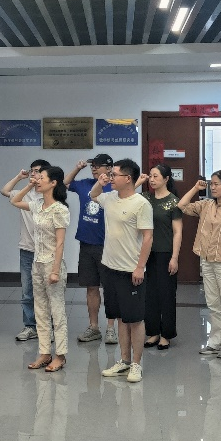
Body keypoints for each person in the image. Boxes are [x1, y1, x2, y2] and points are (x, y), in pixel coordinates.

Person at [91, 159, 153, 383]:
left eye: (114, 174)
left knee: (134, 319)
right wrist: (100, 182)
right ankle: (124, 360)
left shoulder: (141, 203)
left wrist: (140, 267)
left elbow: (148, 237)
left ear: (128, 179)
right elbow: (93, 195)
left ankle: (136, 364)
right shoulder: (109, 198)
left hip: (131, 270)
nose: (110, 178)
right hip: (110, 267)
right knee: (119, 317)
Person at [178, 170, 221, 358]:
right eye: (211, 183)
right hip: (207, 262)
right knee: (213, 305)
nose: (212, 187)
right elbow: (182, 205)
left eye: (216, 184)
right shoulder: (206, 205)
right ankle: (215, 342)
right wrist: (195, 188)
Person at [10, 166, 71, 372]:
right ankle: (44, 353)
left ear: (53, 183)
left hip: (53, 265)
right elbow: (14, 201)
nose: (38, 180)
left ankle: (60, 355)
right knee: (40, 310)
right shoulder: (37, 205)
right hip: (37, 263)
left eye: (41, 177)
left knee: (57, 311)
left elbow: (60, 243)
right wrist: (28, 185)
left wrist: (55, 270)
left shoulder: (60, 209)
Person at [65, 154, 118, 345]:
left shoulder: (115, 187)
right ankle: (94, 327)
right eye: (92, 166)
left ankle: (111, 329)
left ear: (109, 168)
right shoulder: (84, 184)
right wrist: (77, 168)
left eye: (98, 165)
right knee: (91, 287)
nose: (93, 168)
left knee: (110, 288)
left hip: (108, 245)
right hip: (86, 244)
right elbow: (64, 184)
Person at [2, 159, 51, 342]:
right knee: (27, 291)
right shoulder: (25, 193)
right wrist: (19, 177)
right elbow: (5, 191)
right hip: (27, 250)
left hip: (46, 250)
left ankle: (47, 327)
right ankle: (30, 326)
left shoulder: (50, 195)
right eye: (31, 171)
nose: (33, 174)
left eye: (37, 171)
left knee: (47, 291)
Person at [138, 164, 182, 349]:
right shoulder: (145, 198)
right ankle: (153, 332)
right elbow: (126, 197)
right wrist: (139, 182)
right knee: (149, 294)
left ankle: (166, 334)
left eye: (156, 176)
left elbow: (177, 232)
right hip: (147, 253)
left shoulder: (173, 202)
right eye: (150, 176)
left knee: (166, 294)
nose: (152, 179)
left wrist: (174, 257)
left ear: (166, 179)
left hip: (165, 253)